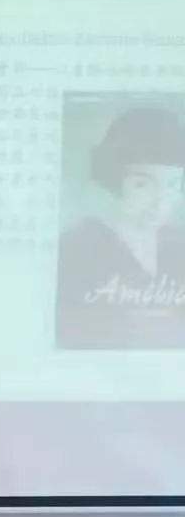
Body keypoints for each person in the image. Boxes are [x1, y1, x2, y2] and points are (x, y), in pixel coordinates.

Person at [56, 105, 185, 348]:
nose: (160, 201)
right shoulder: (75, 249)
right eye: (142, 184)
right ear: (114, 180)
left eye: (172, 185)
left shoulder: (179, 245)